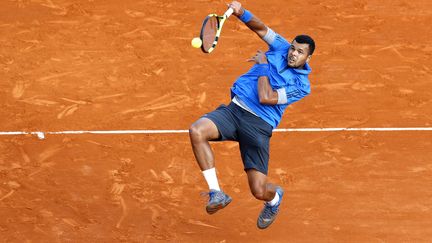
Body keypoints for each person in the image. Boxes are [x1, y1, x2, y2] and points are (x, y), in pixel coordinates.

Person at [189, 1, 315, 229]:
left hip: (258, 127)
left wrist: (264, 65)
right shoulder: (280, 48)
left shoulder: (301, 85)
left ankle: (275, 198)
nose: (293, 54)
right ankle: (216, 193)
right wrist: (241, 13)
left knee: (258, 190)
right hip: (234, 110)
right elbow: (261, 28)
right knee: (197, 130)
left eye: (299, 52)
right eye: (293, 48)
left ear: (308, 58)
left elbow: (267, 97)